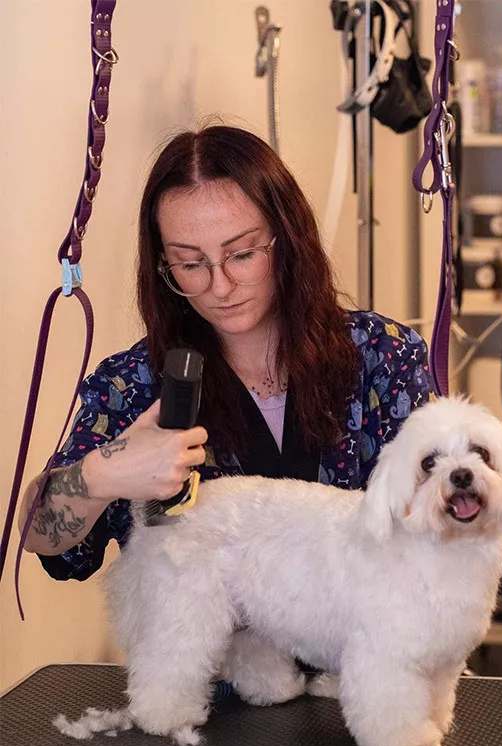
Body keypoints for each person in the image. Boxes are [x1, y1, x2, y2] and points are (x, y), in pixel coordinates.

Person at [19, 124, 432, 581]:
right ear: (163, 266)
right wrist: (103, 473)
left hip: (366, 643)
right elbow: (41, 538)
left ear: (287, 240)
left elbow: (432, 529)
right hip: (209, 650)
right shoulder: (133, 384)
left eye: (241, 254)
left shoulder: (383, 356)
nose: (220, 286)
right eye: (190, 264)